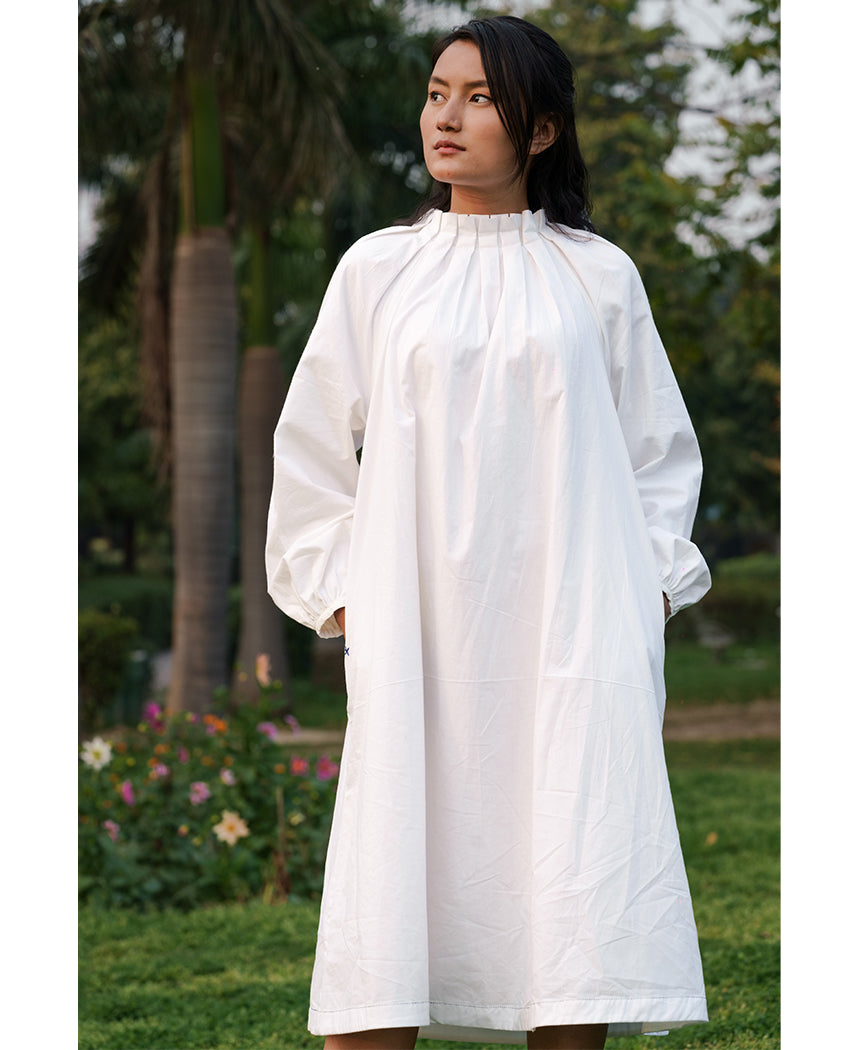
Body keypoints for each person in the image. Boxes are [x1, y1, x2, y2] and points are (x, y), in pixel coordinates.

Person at [266, 15, 711, 1050]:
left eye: (478, 98)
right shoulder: (379, 271)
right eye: (437, 94)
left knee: (574, 883)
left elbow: (658, 454)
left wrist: (644, 592)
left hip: (571, 637)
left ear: (540, 130)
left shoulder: (598, 277)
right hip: (417, 634)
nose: (447, 117)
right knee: (390, 906)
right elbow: (312, 448)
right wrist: (344, 599)